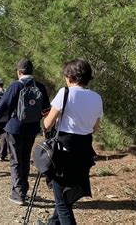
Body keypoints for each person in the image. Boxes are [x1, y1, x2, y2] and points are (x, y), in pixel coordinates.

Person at [43, 59, 103, 224]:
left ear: (70, 76)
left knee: (62, 203)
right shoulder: (97, 97)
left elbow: (47, 124)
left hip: (63, 151)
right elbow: (95, 127)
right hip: (84, 150)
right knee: (66, 196)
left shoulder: (65, 93)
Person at [0, 58, 50, 205]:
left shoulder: (15, 85)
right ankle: (23, 189)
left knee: (16, 160)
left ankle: (18, 194)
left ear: (19, 72)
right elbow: (46, 109)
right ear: (32, 72)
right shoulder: (40, 86)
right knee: (25, 158)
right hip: (32, 128)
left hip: (14, 128)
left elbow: (2, 105)